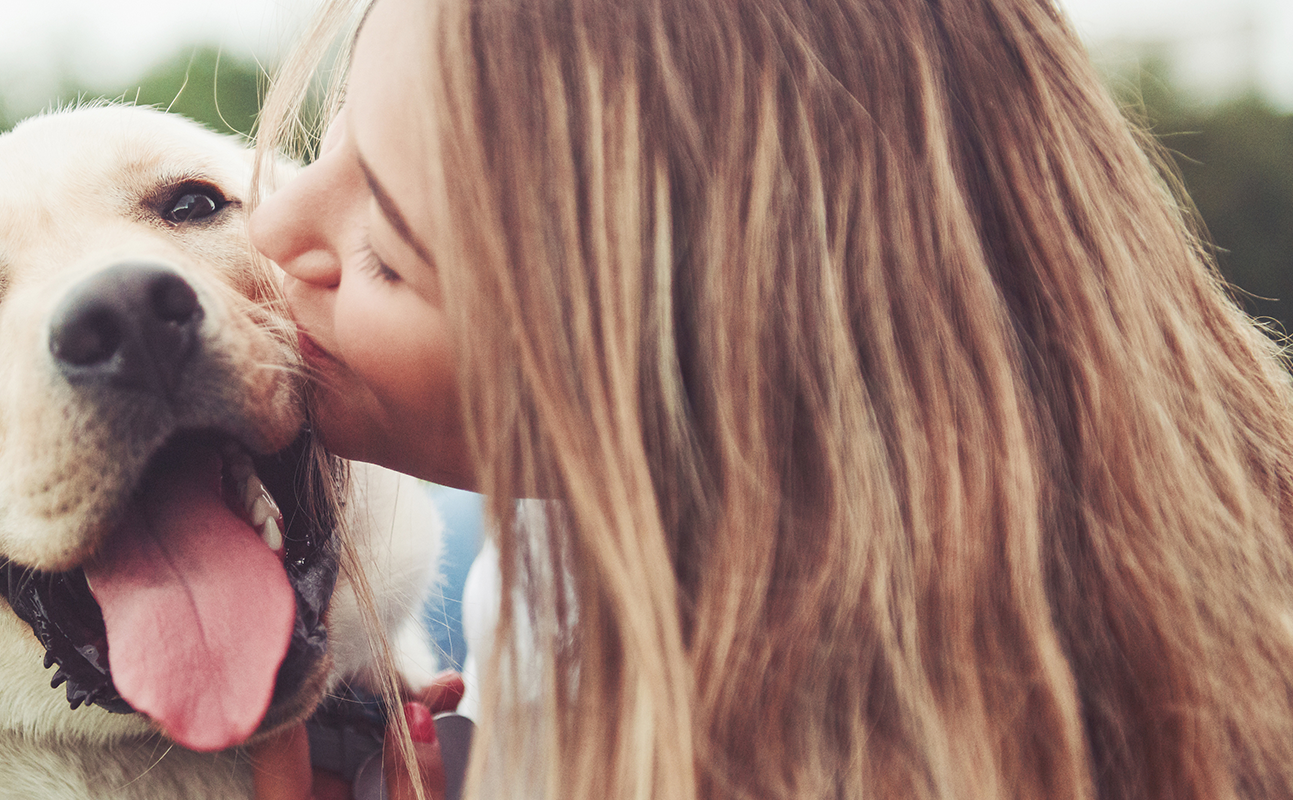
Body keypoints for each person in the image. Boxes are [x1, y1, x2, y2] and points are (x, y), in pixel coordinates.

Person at [243, 0, 1293, 797]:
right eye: (333, 134)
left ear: (659, 374)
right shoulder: (564, 568)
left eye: (386, 249)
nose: (274, 225)